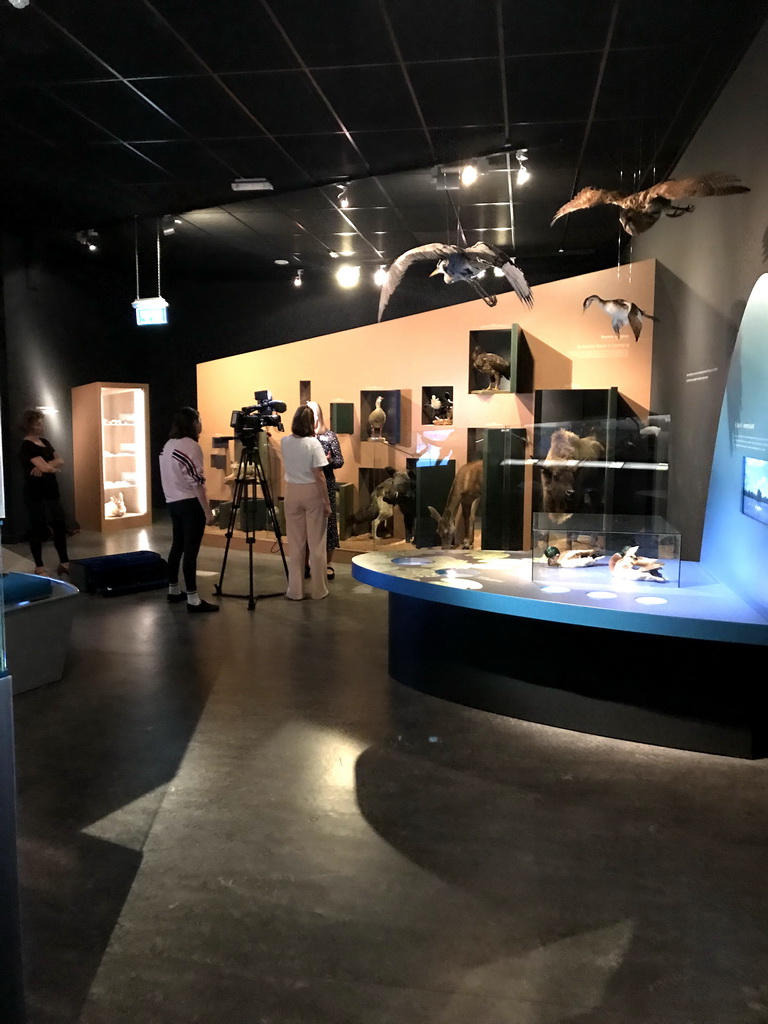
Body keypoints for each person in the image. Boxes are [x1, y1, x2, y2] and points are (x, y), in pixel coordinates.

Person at [159, 407, 219, 613]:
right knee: (191, 552)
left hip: (173, 502)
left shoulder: (168, 445)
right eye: (199, 419)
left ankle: (173, 590)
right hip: (189, 503)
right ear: (193, 422)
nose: (201, 423)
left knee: (177, 546)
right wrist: (207, 511)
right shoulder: (191, 446)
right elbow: (196, 482)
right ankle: (193, 599)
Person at [281, 405, 331, 601]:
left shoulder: (285, 441)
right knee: (316, 543)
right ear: (312, 423)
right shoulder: (313, 444)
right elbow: (319, 476)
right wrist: (326, 502)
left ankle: (295, 591)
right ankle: (319, 590)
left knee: (296, 545)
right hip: (311, 492)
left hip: (291, 492)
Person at [18, 409, 71, 577]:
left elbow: (60, 461)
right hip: (35, 493)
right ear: (29, 426)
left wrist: (47, 467)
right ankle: (39, 566)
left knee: (60, 526)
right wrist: (49, 467)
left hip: (51, 491)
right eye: (38, 423)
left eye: (41, 422)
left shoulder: (45, 442)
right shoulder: (26, 446)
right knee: (37, 529)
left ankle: (64, 563)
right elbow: (48, 467)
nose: (42, 426)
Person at [306, 400, 344, 580]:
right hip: (306, 484)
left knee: (328, 525)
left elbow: (339, 461)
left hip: (326, 484)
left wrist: (328, 462)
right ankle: (305, 563)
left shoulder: (329, 436)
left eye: (313, 413)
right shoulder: (301, 438)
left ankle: (328, 563)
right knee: (305, 526)